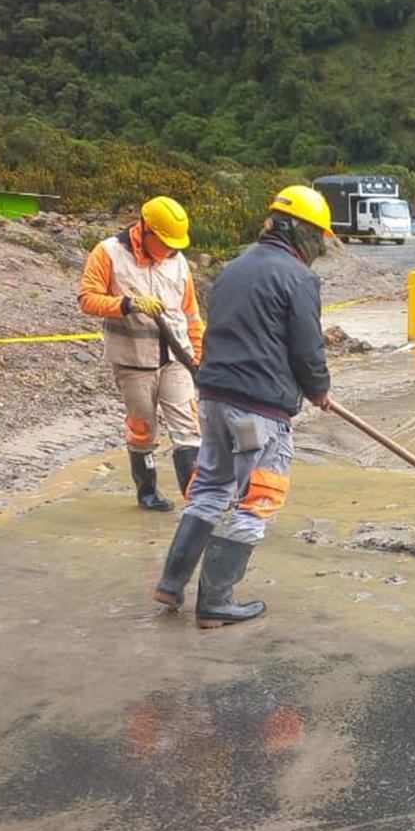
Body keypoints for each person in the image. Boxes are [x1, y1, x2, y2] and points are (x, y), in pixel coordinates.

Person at [152, 185, 334, 628]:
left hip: (213, 399)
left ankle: (171, 583)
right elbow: (307, 347)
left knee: (210, 489)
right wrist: (319, 388)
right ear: (302, 233)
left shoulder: (233, 269)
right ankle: (215, 600)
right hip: (258, 409)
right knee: (259, 498)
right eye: (318, 238)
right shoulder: (297, 278)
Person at [77, 196, 204, 512]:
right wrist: (126, 304)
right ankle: (147, 492)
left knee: (188, 427)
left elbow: (191, 313)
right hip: (133, 360)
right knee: (142, 427)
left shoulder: (178, 260)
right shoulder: (108, 253)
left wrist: (198, 354)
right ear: (146, 230)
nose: (171, 250)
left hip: (177, 359)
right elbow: (87, 299)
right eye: (165, 243)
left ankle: (197, 501)